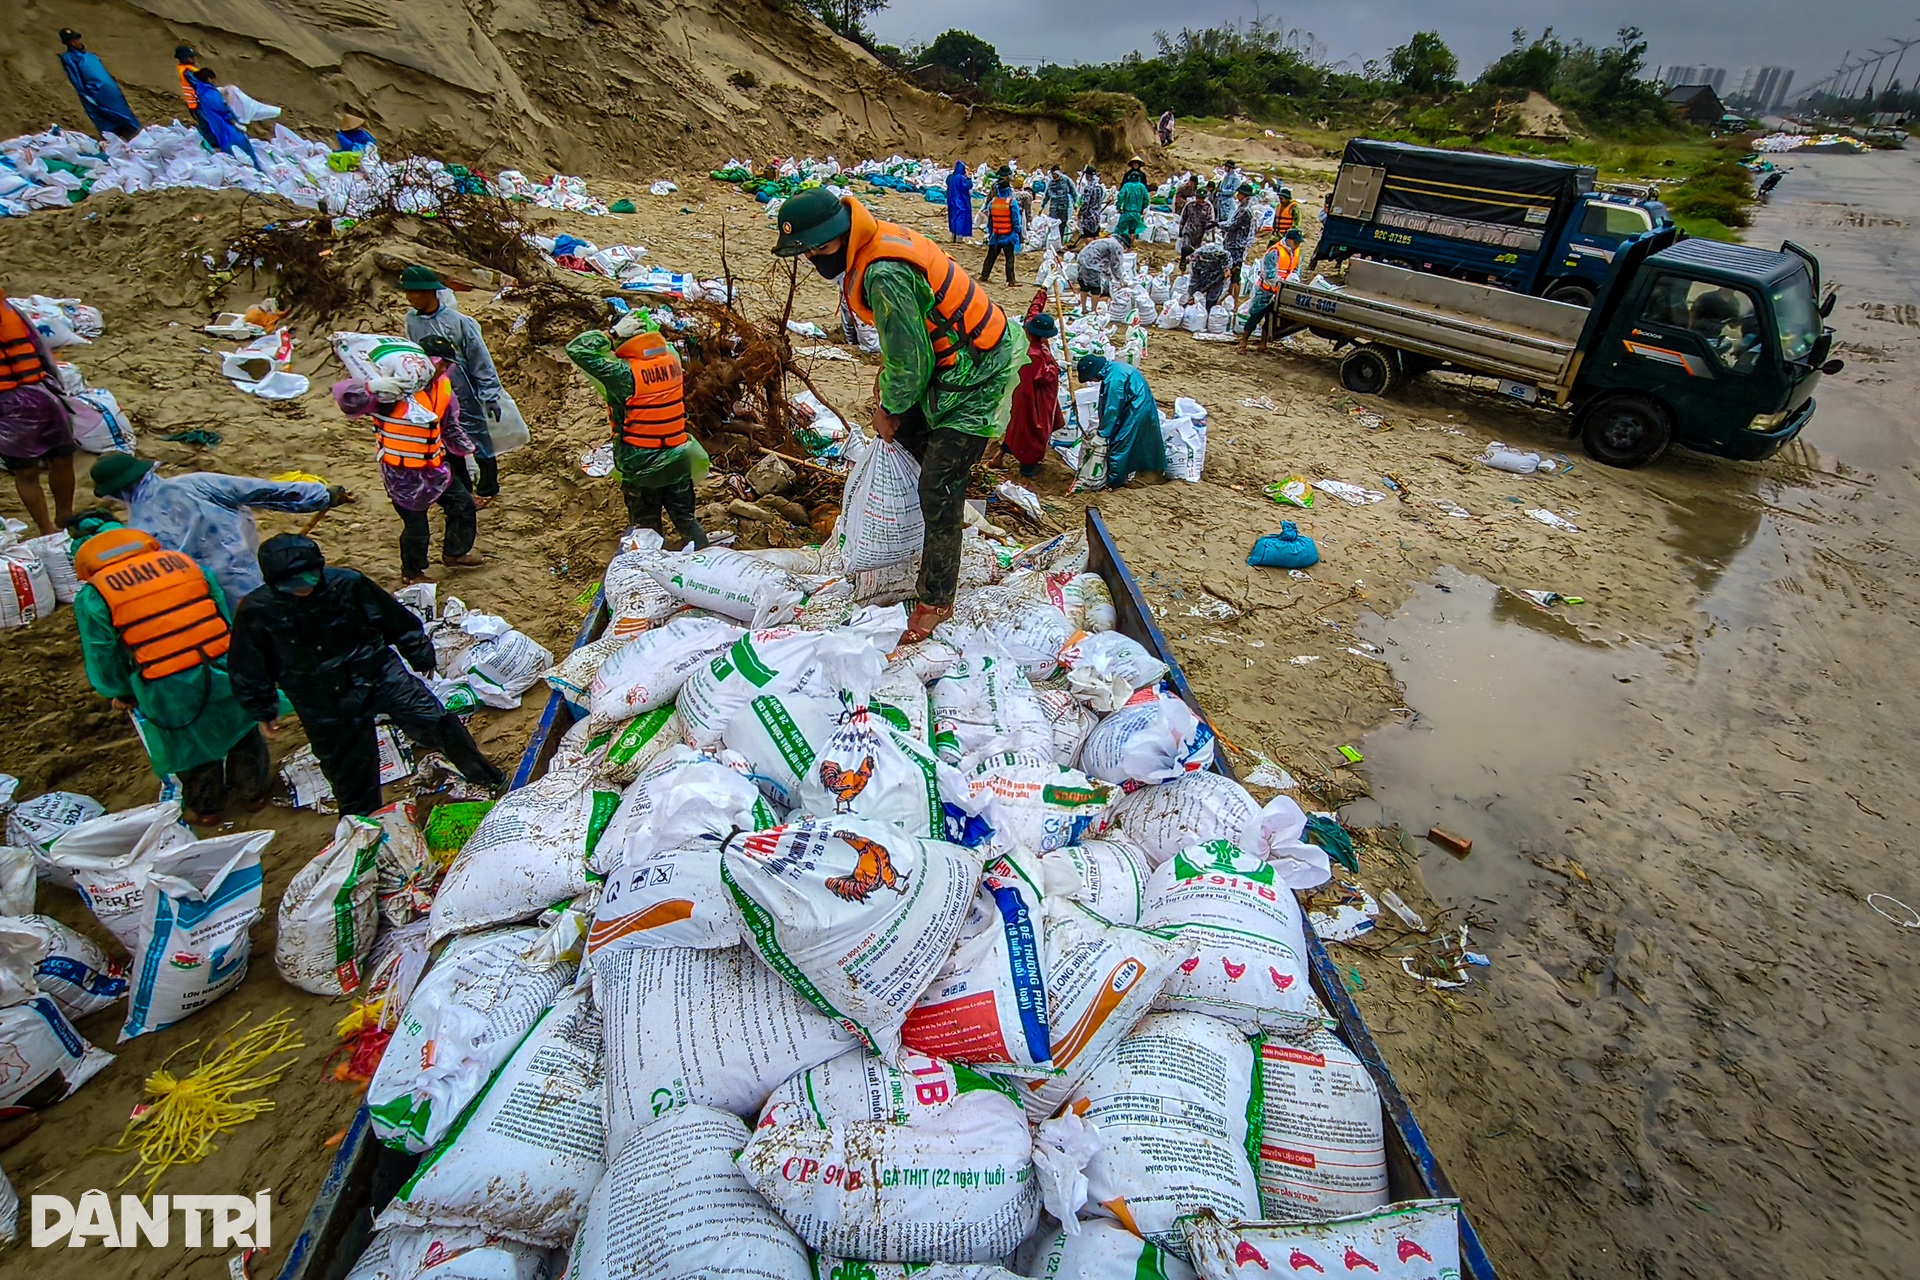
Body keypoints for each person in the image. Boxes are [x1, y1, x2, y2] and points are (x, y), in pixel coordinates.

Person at [772, 188, 1023, 641]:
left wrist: (888, 408)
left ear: (844, 233)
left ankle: (937, 597)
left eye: (822, 248)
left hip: (977, 368)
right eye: (808, 252)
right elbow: (905, 345)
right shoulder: (869, 245)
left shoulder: (883, 272)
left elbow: (912, 365)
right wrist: (889, 396)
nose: (815, 257)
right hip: (945, 362)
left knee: (938, 484)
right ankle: (927, 533)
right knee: (916, 446)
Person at [229, 534, 505, 816]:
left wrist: (419, 652)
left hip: (376, 671)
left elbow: (394, 619)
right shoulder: (257, 611)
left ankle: (486, 777)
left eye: (308, 578)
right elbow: (248, 665)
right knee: (348, 770)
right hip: (320, 696)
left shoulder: (347, 584)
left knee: (438, 721)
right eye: (292, 583)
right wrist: (262, 707)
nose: (302, 588)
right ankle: (363, 824)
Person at [72, 527, 269, 825]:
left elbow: (102, 652)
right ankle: (255, 794)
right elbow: (220, 612)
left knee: (189, 743)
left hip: (167, 679)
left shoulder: (94, 595)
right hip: (221, 662)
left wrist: (121, 691)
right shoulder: (185, 563)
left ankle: (207, 809)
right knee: (240, 726)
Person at [88, 454, 341, 605]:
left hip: (202, 599)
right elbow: (264, 492)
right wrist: (321, 496)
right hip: (246, 575)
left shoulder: (137, 531)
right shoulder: (196, 484)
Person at [566, 314, 710, 550]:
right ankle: (709, 562)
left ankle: (649, 574)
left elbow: (577, 349)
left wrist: (612, 334)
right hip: (679, 459)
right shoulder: (672, 359)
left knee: (646, 528)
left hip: (641, 466)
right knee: (686, 520)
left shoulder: (624, 375)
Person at [330, 359, 480, 584]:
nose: (440, 370)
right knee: (417, 527)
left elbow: (449, 426)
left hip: (435, 468)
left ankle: (455, 552)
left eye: (445, 365)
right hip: (402, 474)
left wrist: (467, 454)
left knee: (463, 506)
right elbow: (346, 398)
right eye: (437, 364)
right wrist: (370, 387)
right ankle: (412, 572)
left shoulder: (442, 388)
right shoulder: (393, 393)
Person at [403, 265, 507, 504]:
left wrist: (489, 394)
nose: (410, 298)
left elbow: (480, 359)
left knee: (478, 438)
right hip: (433, 390)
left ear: (430, 292)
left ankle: (488, 488)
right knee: (447, 440)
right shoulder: (412, 320)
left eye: (414, 292)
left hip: (462, 389)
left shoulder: (459, 323)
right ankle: (463, 490)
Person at [0, 292, 81, 535]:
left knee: (63, 456)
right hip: (5, 403)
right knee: (26, 470)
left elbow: (39, 348)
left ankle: (65, 516)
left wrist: (56, 385)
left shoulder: (10, 310)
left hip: (39, 391)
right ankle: (46, 529)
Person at [1074, 355, 1166, 488]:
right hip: (1139, 405)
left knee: (1120, 445)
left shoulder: (1114, 379)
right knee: (1141, 440)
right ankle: (1146, 470)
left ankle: (1114, 482)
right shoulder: (1114, 369)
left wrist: (1103, 434)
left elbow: (1112, 409)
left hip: (1136, 409)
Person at [1001, 301, 1063, 478]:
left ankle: (998, 457)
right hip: (1032, 399)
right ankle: (1026, 472)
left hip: (1022, 394)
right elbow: (1043, 376)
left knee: (1016, 427)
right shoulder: (1033, 354)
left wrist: (1043, 292)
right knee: (1032, 431)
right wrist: (1055, 368)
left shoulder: (1029, 342)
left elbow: (1032, 312)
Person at [58, 30, 140, 141]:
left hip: (111, 91)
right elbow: (75, 77)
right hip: (95, 92)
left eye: (76, 39)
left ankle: (133, 134)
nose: (76, 42)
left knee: (123, 112)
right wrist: (85, 94)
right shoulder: (69, 58)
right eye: (72, 41)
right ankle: (115, 139)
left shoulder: (91, 56)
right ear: (68, 43)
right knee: (103, 116)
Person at [1241, 228, 1305, 354]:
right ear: (1288, 240)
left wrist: (1294, 280)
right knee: (1255, 316)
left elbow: (1296, 270)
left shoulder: (1297, 253)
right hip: (1265, 290)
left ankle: (1263, 344)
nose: (1297, 245)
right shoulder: (1274, 252)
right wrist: (1282, 283)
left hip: (1280, 292)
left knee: (1270, 319)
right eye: (1295, 242)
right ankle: (1242, 344)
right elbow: (1269, 275)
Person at [189, 68, 262, 170]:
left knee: (223, 143)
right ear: (209, 79)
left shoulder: (200, 91)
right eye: (214, 79)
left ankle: (236, 167)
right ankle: (253, 169)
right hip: (222, 124)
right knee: (239, 144)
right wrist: (232, 120)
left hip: (213, 125)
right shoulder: (210, 93)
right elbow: (221, 108)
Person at [982, 172, 1025, 285]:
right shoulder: (1012, 203)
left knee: (991, 257)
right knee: (1009, 258)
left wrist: (991, 232)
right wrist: (1018, 233)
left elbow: (990, 220)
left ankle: (984, 275)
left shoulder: (993, 202)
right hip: (1008, 235)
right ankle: (1010, 280)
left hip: (996, 236)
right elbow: (1016, 220)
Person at [173, 45, 216, 152]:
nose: (193, 59)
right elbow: (198, 84)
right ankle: (211, 144)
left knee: (205, 124)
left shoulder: (189, 70)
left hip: (195, 103)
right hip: (197, 102)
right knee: (208, 123)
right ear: (182, 58)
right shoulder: (187, 71)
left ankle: (206, 143)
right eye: (190, 57)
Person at [1222, 186, 1258, 308]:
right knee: (1233, 274)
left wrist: (1217, 224)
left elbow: (1232, 225)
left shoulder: (1245, 211)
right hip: (1236, 245)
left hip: (1237, 247)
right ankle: (1230, 298)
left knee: (1235, 274)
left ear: (1243, 195)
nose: (1237, 195)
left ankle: (1235, 302)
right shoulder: (1243, 208)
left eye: (1239, 194)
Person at [1187, 237, 1232, 311]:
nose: (1192, 260)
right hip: (1205, 275)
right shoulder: (1194, 263)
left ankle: (1209, 310)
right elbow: (1194, 280)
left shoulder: (1210, 251)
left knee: (1212, 297)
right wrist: (1192, 295)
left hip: (1219, 272)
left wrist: (1227, 268)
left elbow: (1227, 255)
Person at [1176, 185, 1215, 269]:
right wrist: (1180, 230)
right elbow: (1183, 218)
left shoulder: (1208, 207)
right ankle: (1182, 264)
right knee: (1185, 248)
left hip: (1200, 233)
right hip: (1188, 230)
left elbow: (1211, 221)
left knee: (1197, 253)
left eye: (1201, 198)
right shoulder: (1189, 205)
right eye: (1198, 198)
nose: (1199, 200)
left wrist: (1207, 234)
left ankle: (1194, 268)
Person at [1113, 167, 1150, 247]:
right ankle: (1130, 245)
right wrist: (1142, 208)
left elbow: (1120, 196)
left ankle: (1121, 245)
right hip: (1136, 213)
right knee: (1132, 230)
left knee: (1121, 229)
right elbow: (1146, 199)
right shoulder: (1142, 187)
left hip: (1126, 212)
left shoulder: (1126, 186)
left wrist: (1119, 206)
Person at [1074, 165, 1106, 245]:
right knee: (1095, 234)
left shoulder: (1088, 188)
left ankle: (1089, 249)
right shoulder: (1099, 187)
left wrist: (1080, 212)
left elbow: (1085, 203)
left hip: (1088, 216)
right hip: (1097, 214)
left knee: (1088, 235)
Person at [945, 161, 973, 241]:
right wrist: (968, 178)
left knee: (953, 218)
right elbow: (968, 186)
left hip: (951, 201)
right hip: (961, 202)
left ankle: (953, 236)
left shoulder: (950, 177)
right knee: (960, 219)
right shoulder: (961, 178)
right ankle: (958, 238)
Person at [1044, 164, 1075, 232]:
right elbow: (1047, 195)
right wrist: (1042, 206)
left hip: (1064, 206)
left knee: (1062, 224)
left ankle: (1060, 238)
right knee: (1053, 223)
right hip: (1054, 207)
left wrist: (1075, 203)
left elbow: (1073, 191)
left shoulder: (1066, 180)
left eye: (1055, 174)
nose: (1054, 176)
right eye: (1053, 174)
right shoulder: (1051, 182)